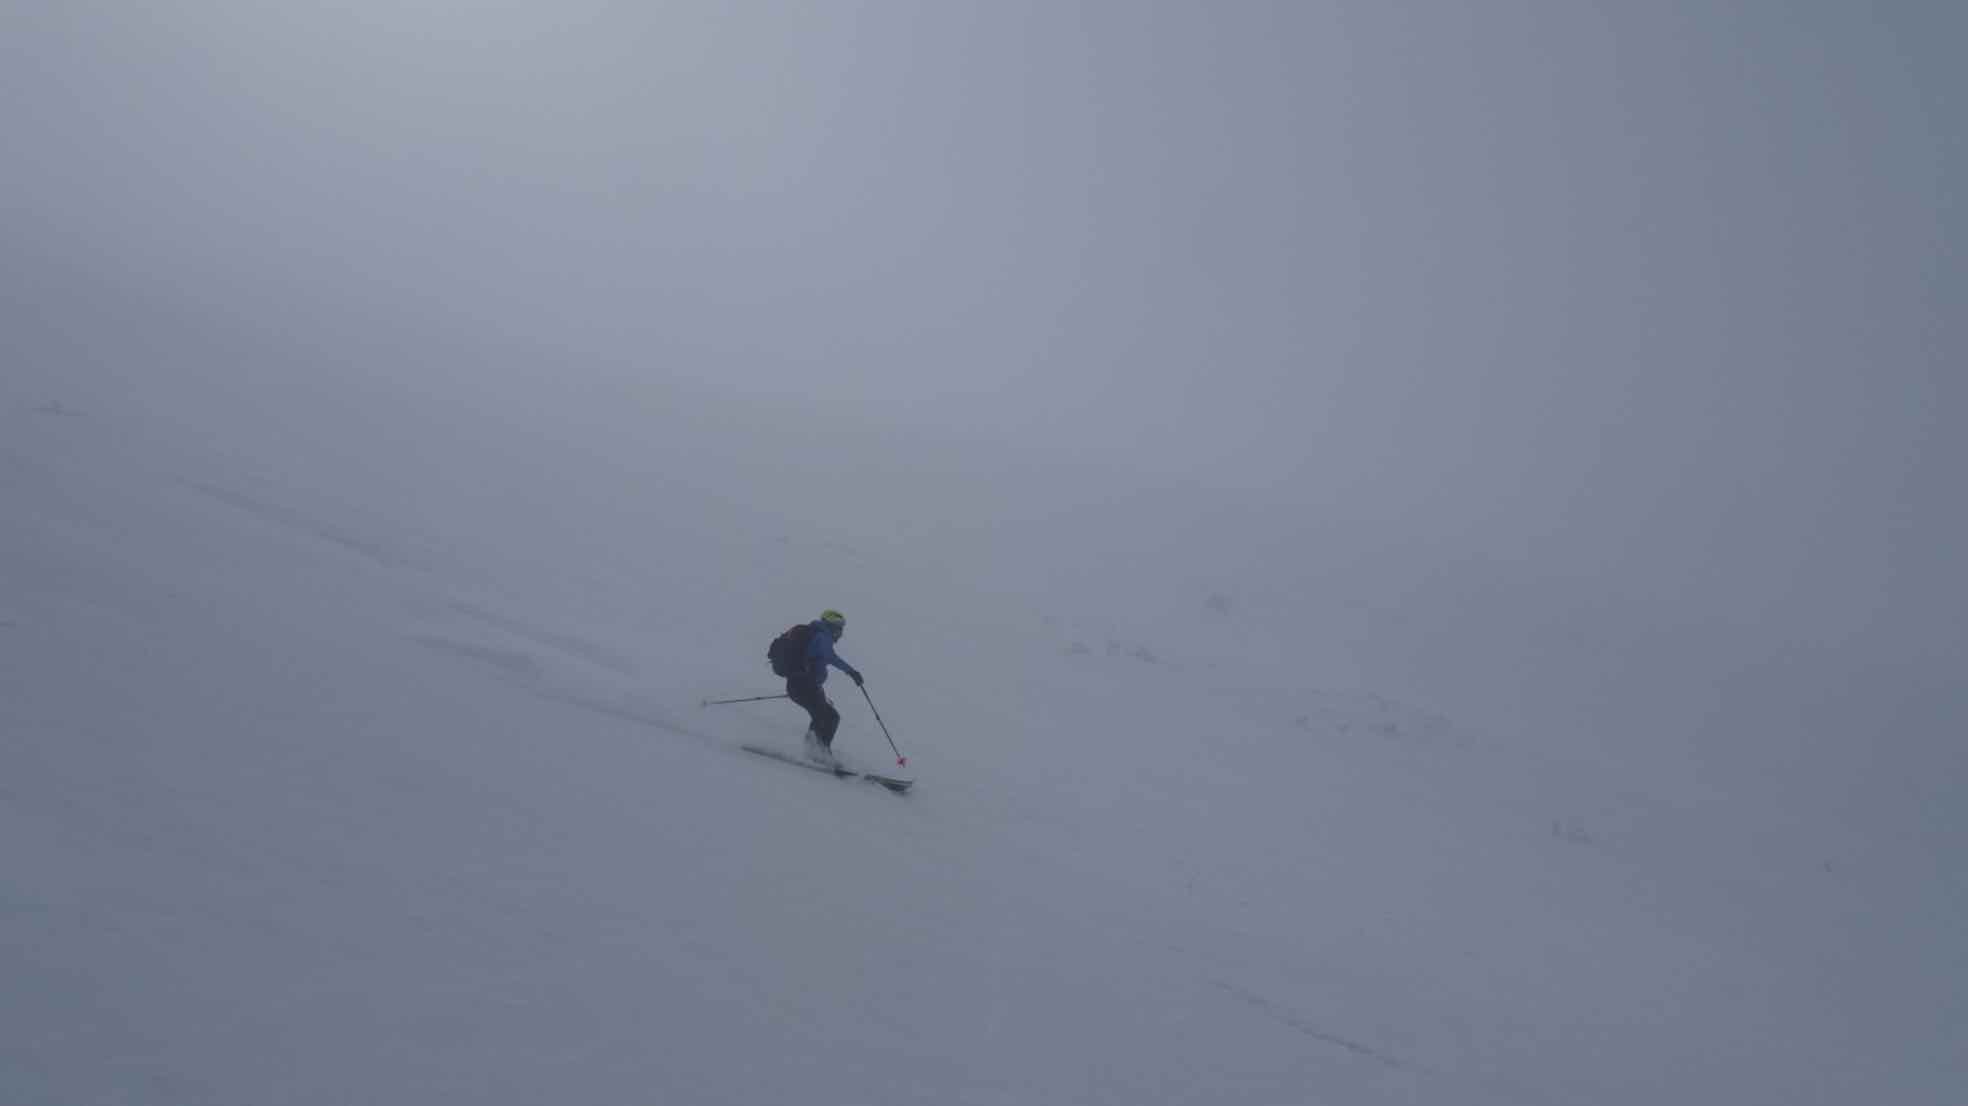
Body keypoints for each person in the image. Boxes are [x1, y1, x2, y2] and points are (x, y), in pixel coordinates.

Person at [786, 609, 863, 763]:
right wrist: (851, 672)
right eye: (839, 627)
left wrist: (851, 672)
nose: (841, 632)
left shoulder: (817, 635)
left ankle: (814, 751)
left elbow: (825, 657)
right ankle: (818, 752)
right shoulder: (822, 637)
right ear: (831, 626)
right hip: (804, 685)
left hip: (802, 685)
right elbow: (831, 657)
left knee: (825, 715)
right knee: (828, 716)